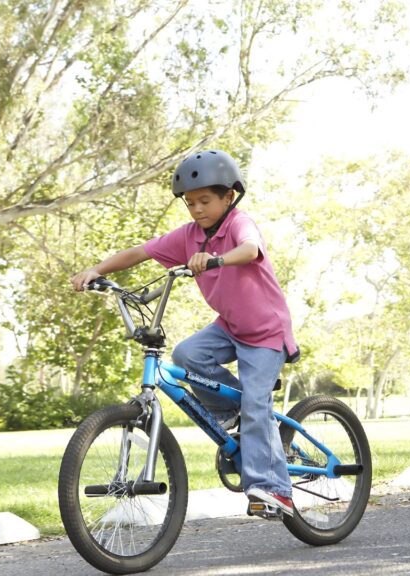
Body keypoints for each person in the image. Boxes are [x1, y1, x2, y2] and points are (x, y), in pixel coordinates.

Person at [70, 149, 299, 516]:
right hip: (229, 327)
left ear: (229, 196)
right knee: (187, 355)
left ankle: (275, 490)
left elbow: (250, 248)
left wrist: (216, 259)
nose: (196, 209)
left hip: (266, 332)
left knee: (257, 406)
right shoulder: (189, 237)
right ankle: (237, 411)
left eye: (205, 201)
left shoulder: (239, 224)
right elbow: (140, 252)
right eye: (190, 203)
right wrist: (96, 270)